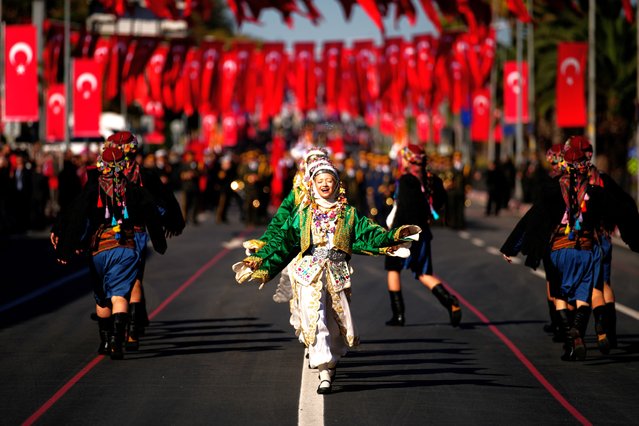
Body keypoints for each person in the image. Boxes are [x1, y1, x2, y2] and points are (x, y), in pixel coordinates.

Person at [234, 159, 420, 394]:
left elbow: (370, 235)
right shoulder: (303, 214)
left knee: (334, 323)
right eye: (320, 180)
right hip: (308, 272)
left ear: (337, 184)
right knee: (315, 316)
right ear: (312, 184)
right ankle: (323, 371)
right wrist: (259, 262)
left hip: (337, 272)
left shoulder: (348, 214)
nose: (324, 184)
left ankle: (330, 362)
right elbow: (284, 245)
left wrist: (394, 236)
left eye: (329, 180)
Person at [501, 142, 639, 361]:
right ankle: (583, 331)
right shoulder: (597, 192)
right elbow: (624, 212)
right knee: (586, 296)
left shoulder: (551, 190)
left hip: (558, 251)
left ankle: (573, 341)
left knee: (559, 296)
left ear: (564, 163)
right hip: (587, 251)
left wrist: (512, 247)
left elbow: (532, 218)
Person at [51, 146, 168, 360]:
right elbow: (153, 212)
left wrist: (65, 247)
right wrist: (160, 241)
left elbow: (74, 216)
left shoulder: (92, 190)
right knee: (120, 295)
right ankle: (118, 339)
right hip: (126, 248)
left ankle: (105, 341)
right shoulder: (133, 189)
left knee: (102, 297)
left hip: (100, 250)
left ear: (101, 166)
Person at [103, 131, 185, 349]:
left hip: (123, 233)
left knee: (122, 281)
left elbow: (163, 199)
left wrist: (172, 221)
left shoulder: (108, 175)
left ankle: (122, 328)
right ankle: (131, 329)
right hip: (128, 233)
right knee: (132, 280)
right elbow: (164, 199)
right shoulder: (141, 175)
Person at [384, 144, 462, 327]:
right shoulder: (433, 180)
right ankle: (449, 301)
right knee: (423, 272)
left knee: (393, 269)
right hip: (423, 233)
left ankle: (399, 315)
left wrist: (393, 236)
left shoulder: (405, 180)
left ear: (407, 160)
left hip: (404, 233)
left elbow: (403, 210)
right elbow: (440, 201)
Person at [243, 148, 329, 303]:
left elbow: (361, 233)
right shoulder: (298, 195)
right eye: (313, 164)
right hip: (304, 259)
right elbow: (281, 227)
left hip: (332, 267)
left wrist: (386, 242)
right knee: (308, 313)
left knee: (338, 317)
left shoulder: (341, 203)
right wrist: (261, 250)